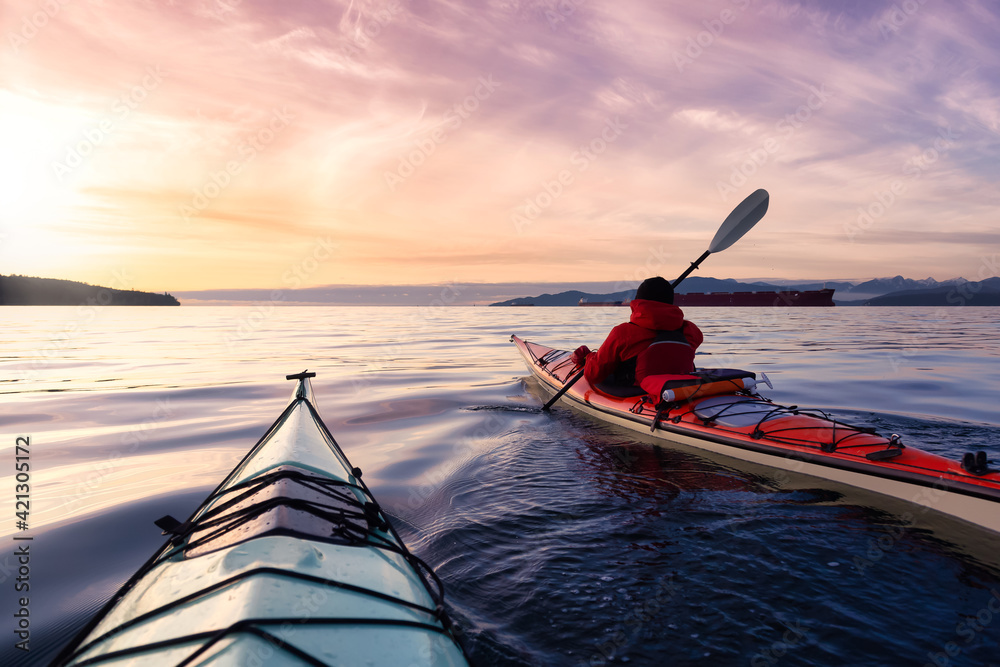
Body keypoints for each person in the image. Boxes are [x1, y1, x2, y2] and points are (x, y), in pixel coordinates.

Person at [572, 276, 703, 396]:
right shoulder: (691, 332)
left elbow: (594, 374)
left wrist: (587, 357)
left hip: (635, 394)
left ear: (638, 302)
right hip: (677, 391)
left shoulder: (622, 333)